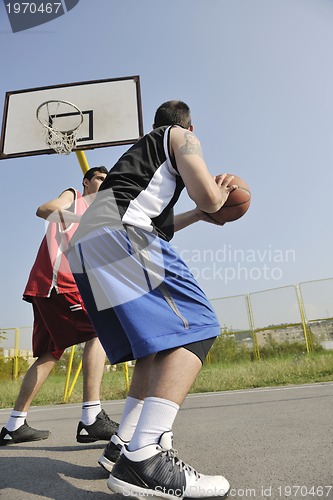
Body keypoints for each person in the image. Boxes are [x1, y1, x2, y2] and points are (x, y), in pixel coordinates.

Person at [68, 101, 236, 499]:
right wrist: (222, 193)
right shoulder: (182, 137)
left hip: (89, 244)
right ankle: (146, 458)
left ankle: (122, 446)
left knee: (154, 348)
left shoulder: (140, 162)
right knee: (197, 328)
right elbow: (213, 198)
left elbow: (163, 223)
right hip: (121, 233)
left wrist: (198, 213)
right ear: (189, 126)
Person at [0, 167, 119, 446]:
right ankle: (91, 416)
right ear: (86, 182)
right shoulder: (73, 196)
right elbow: (44, 209)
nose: (104, 183)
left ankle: (14, 425)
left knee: (50, 354)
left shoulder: (101, 216)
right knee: (98, 332)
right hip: (58, 283)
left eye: (107, 180)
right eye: (100, 178)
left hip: (45, 287)